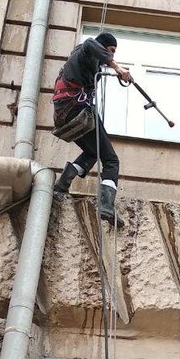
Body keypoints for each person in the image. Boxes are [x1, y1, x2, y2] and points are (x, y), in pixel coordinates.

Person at [53, 31, 131, 227]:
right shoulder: (85, 51)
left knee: (92, 152)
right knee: (111, 160)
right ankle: (106, 206)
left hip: (65, 114)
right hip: (78, 109)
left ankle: (63, 183)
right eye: (110, 50)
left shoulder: (82, 61)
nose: (111, 55)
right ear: (103, 46)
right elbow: (90, 43)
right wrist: (117, 67)